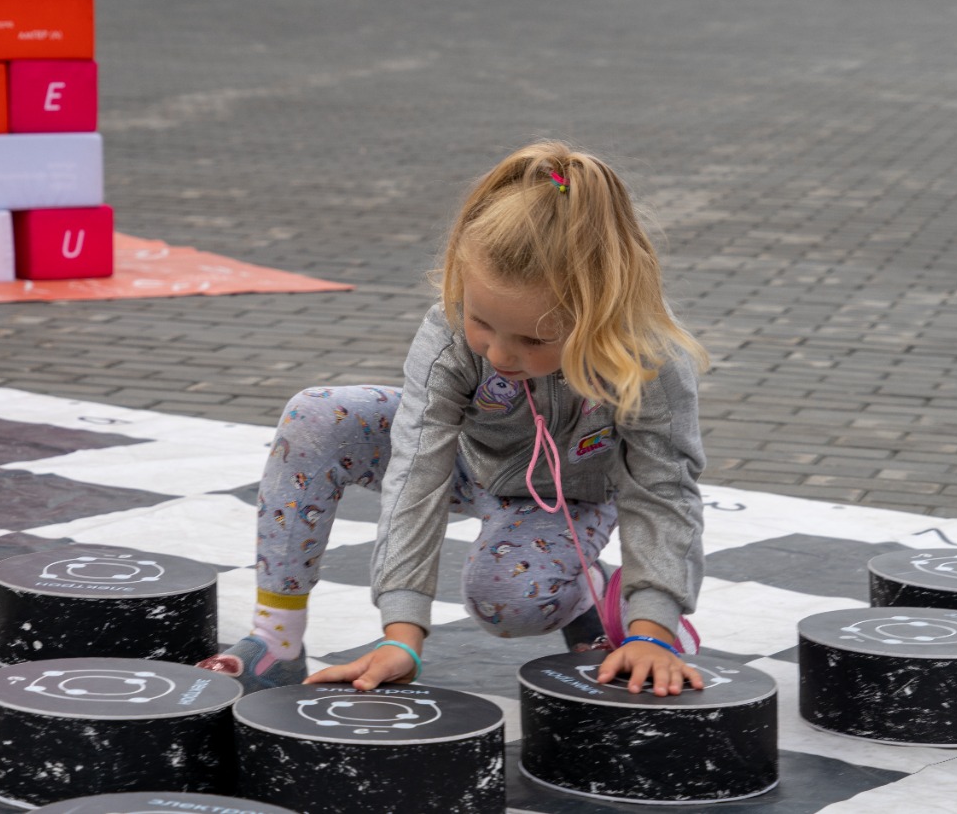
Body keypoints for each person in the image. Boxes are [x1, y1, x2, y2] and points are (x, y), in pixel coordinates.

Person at [200, 141, 709, 698]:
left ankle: (587, 590)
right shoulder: (447, 334)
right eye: (480, 320)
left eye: (534, 339)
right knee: (318, 415)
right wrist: (402, 634)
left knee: (507, 601)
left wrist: (653, 629)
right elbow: (417, 471)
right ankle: (277, 642)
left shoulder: (650, 362)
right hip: (474, 462)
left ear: (601, 312)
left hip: (570, 495)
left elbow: (662, 491)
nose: (498, 354)